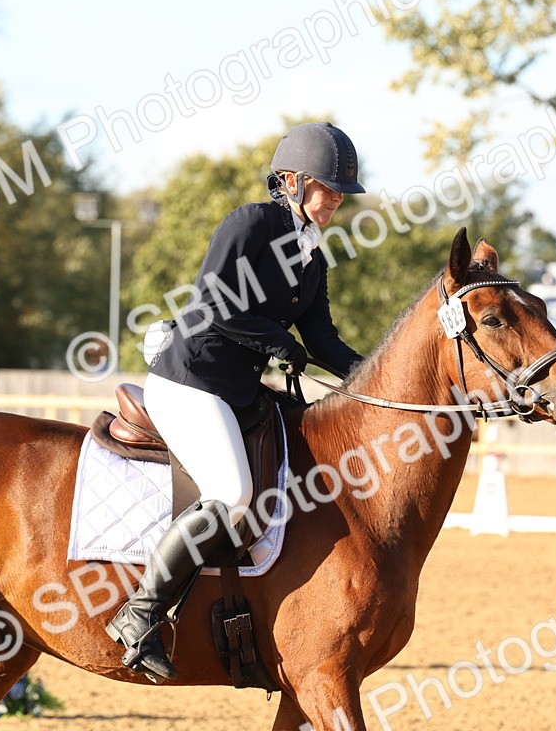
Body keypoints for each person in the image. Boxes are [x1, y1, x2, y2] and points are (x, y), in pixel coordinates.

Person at [105, 122, 366, 680]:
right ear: (293, 182)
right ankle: (140, 613)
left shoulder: (312, 259)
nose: (337, 200)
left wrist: (375, 379)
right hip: (191, 381)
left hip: (240, 393)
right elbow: (215, 302)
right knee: (234, 494)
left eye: (341, 193)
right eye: (329, 188)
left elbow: (323, 340)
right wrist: (277, 343)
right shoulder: (250, 223)